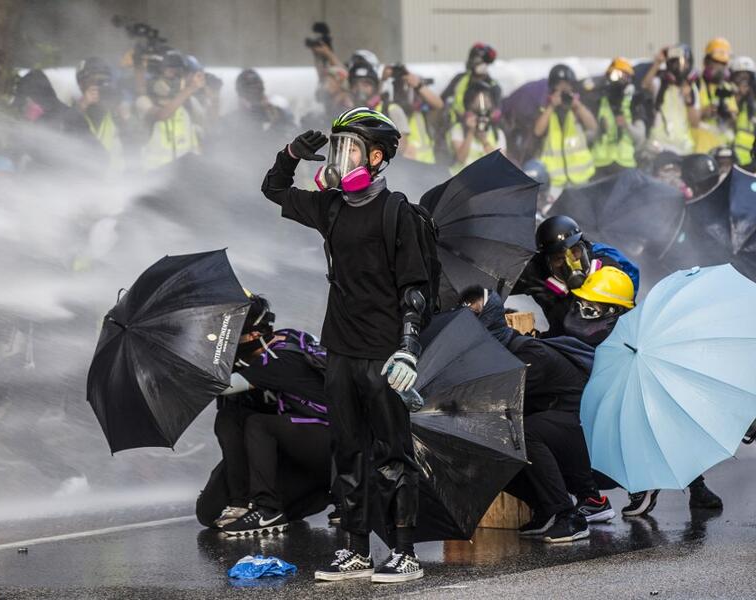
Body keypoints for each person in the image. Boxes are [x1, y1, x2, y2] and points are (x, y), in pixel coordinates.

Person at [261, 108, 431, 583]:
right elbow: (273, 190)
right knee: (348, 451)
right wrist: (290, 154)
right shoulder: (331, 206)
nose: (340, 157)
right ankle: (356, 551)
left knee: (394, 454)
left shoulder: (399, 212)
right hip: (340, 349)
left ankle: (404, 553)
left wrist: (409, 349)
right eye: (338, 147)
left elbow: (415, 289)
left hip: (384, 352)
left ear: (376, 157)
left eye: (350, 147)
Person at [564, 268, 724, 515]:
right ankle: (686, 488)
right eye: (582, 305)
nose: (583, 313)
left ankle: (649, 484)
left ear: (614, 312)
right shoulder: (606, 335)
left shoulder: (641, 341)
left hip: (644, 398)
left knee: (656, 418)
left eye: (591, 309)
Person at [462, 289, 612, 543]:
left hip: (583, 426)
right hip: (559, 425)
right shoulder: (500, 352)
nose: (467, 317)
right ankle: (546, 509)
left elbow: (502, 402)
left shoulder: (527, 354)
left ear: (488, 318)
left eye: (473, 310)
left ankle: (569, 517)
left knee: (524, 433)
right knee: (491, 446)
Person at [195, 295, 333, 536]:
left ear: (252, 335)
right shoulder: (279, 339)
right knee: (208, 513)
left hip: (330, 446)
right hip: (296, 445)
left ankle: (269, 510)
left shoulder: (277, 358)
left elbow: (217, 386)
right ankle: (240, 504)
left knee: (259, 424)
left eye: (232, 337)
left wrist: (187, 371)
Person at [512, 215, 639, 337]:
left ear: (585, 248)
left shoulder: (608, 271)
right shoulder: (539, 273)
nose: (569, 263)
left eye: (575, 252)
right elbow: (499, 281)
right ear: (547, 263)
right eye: (558, 259)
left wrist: (560, 304)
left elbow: (587, 333)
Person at [534, 64, 598, 195]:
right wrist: (552, 106)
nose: (563, 91)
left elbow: (593, 127)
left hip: (580, 180)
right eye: (560, 87)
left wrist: (577, 105)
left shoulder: (576, 109)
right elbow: (537, 131)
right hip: (555, 183)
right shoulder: (546, 109)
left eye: (566, 86)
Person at [136, 50, 203, 171]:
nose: (174, 78)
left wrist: (214, 98)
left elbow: (210, 123)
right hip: (155, 175)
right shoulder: (144, 101)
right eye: (171, 72)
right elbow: (162, 114)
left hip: (184, 175)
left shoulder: (188, 102)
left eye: (179, 74)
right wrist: (189, 89)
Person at [65, 57, 127, 172]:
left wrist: (121, 111)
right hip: (83, 181)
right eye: (93, 81)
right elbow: (61, 132)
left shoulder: (114, 109)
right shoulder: (72, 109)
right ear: (81, 84)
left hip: (116, 183)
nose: (100, 86)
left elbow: (137, 138)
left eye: (104, 81)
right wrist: (83, 105)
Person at [591, 57, 646, 178]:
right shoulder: (599, 101)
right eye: (614, 75)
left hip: (625, 165)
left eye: (622, 75)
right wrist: (599, 129)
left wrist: (626, 126)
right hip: (601, 165)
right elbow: (588, 136)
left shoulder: (634, 102)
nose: (617, 80)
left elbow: (640, 138)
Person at [642, 44, 701, 155]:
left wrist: (689, 99)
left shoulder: (692, 89)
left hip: (683, 148)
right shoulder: (660, 83)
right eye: (675, 63)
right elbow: (645, 85)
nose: (679, 67)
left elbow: (695, 122)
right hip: (659, 146)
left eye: (683, 63)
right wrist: (658, 63)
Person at [383, 63, 443, 164]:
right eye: (398, 86)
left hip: (428, 171)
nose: (402, 91)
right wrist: (383, 80)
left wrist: (418, 85)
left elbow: (439, 105)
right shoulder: (386, 112)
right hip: (403, 172)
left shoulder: (420, 113)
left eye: (406, 86)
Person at [347, 62, 410, 155]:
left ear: (375, 87)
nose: (360, 89)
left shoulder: (392, 110)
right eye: (356, 85)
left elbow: (402, 147)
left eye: (366, 84)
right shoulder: (349, 114)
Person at [447, 80, 506, 174]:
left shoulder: (497, 133)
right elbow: (461, 159)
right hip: (462, 181)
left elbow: (501, 164)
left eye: (487, 103)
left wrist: (484, 141)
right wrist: (470, 132)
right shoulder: (459, 129)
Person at [441, 42, 502, 125]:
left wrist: (484, 118)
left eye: (485, 62)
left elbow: (497, 111)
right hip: (456, 125)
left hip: (482, 128)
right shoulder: (460, 79)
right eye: (478, 61)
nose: (482, 65)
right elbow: (442, 99)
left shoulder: (493, 86)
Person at [695, 38, 737, 153]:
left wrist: (729, 114)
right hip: (701, 149)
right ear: (706, 62)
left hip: (723, 150)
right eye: (716, 62)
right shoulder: (696, 84)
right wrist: (704, 112)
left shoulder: (727, 88)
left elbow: (734, 119)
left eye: (723, 64)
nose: (720, 67)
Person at [730, 55, 756, 166]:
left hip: (750, 160)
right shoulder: (728, 99)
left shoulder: (752, 104)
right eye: (739, 78)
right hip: (730, 159)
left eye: (746, 78)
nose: (743, 83)